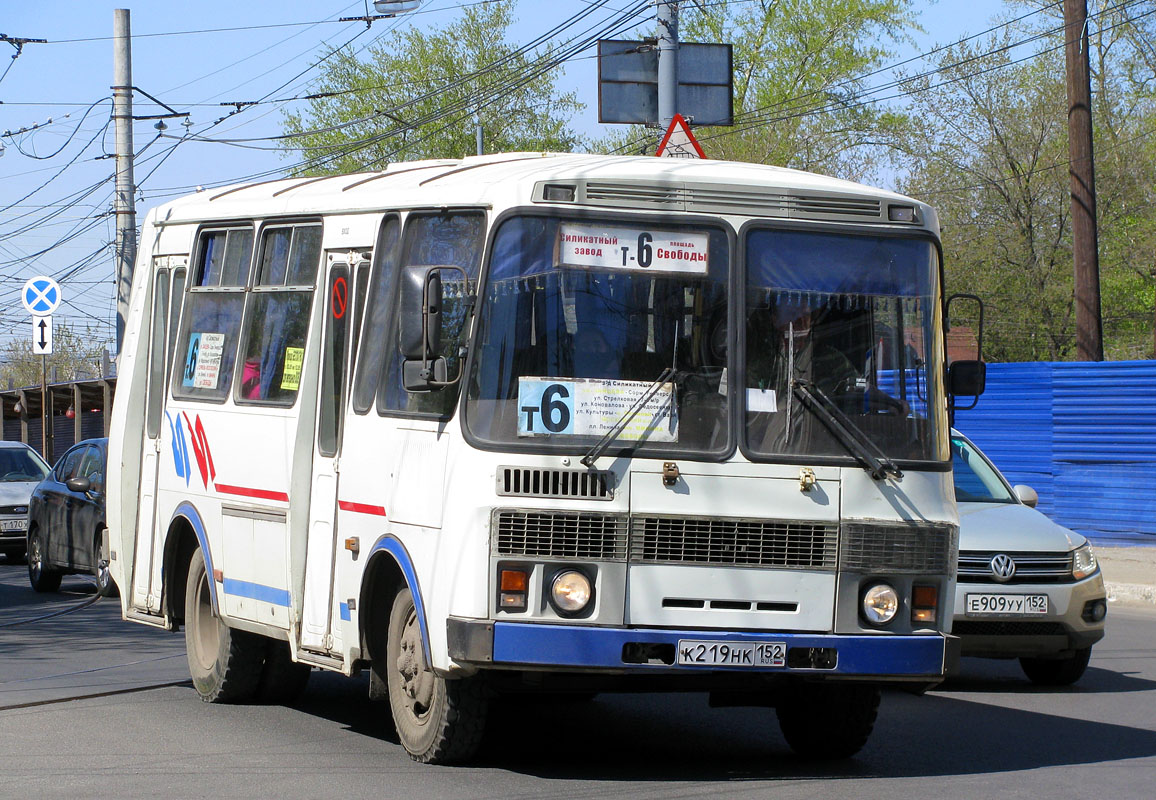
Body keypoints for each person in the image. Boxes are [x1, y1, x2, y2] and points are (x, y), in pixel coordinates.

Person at [747, 296, 858, 452]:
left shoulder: (830, 360)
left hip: (820, 447)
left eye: (805, 315)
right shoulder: (763, 361)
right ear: (775, 320)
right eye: (793, 315)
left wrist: (894, 404)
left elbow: (861, 389)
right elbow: (744, 407)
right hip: (766, 450)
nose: (800, 322)